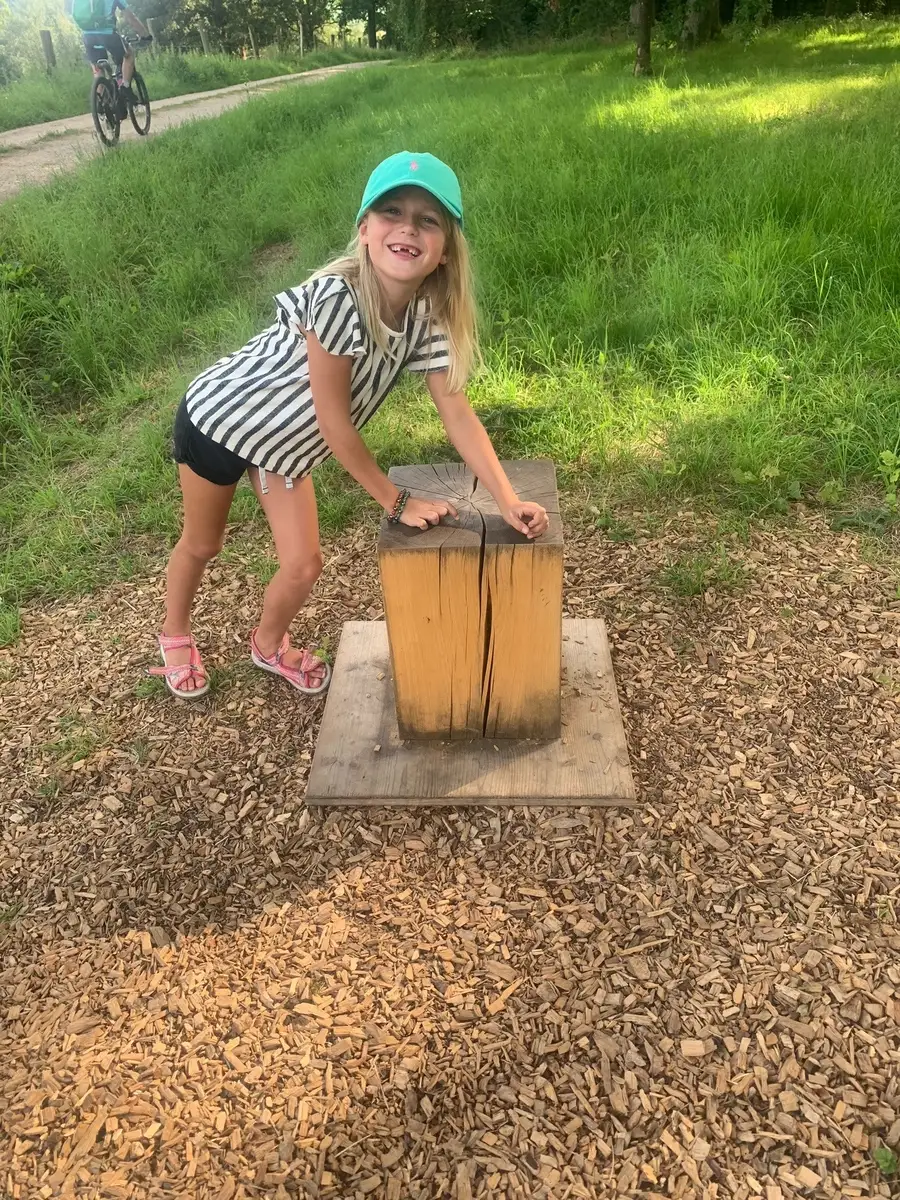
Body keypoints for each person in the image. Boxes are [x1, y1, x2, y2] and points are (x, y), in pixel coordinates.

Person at [151, 151, 550, 700]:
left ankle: (266, 645)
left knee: (303, 565)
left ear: (444, 253)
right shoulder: (339, 297)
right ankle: (174, 633)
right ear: (365, 229)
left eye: (427, 219)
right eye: (391, 212)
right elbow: (334, 423)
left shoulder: (426, 315)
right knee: (204, 543)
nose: (407, 228)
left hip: (283, 449)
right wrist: (394, 499)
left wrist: (506, 499)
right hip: (222, 420)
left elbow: (456, 411)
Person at [70, 0, 151, 98]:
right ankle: (125, 87)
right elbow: (131, 18)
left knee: (98, 68)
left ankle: (100, 100)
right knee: (129, 54)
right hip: (108, 35)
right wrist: (145, 35)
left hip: (88, 37)